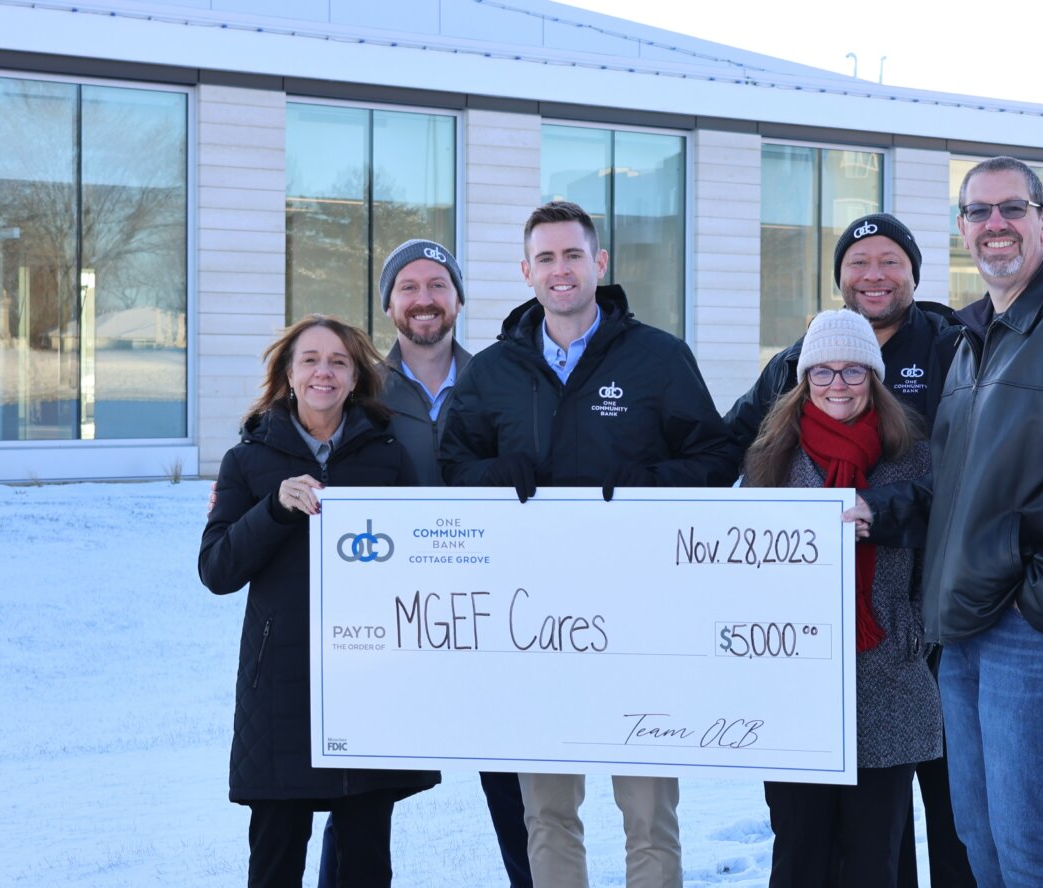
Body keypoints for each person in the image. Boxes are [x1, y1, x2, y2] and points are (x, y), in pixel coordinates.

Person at [854, 156, 1043, 888]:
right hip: (968, 628)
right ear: (963, 230)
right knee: (981, 844)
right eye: (979, 212)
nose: (996, 225)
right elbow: (960, 492)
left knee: (1037, 848)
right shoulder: (978, 340)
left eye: (1012, 209)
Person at [438, 199, 738, 888]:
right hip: (534, 625)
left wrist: (652, 483)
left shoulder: (658, 359)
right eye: (545, 258)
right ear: (526, 271)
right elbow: (453, 467)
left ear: (599, 264)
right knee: (547, 813)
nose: (560, 269)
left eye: (573, 254)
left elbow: (717, 459)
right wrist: (493, 474)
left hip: (641, 621)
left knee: (648, 813)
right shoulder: (492, 373)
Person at [723, 212, 973, 887]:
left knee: (953, 821)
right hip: (804, 665)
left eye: (889, 260)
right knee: (821, 846)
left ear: (915, 272)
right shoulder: (784, 397)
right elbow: (718, 462)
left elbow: (964, 490)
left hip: (917, 644)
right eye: (858, 262)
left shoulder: (957, 349)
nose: (873, 274)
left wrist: (878, 515)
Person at [312, 240, 534, 888]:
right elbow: (297, 443)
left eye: (438, 284)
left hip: (494, 614)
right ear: (389, 305)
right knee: (362, 796)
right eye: (408, 287)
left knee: (516, 791)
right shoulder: (357, 390)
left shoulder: (503, 381)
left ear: (458, 299)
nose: (424, 299)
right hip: (392, 617)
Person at [199, 314, 438, 887]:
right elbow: (218, 569)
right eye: (309, 360)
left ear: (356, 377)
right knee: (276, 858)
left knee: (365, 860)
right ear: (287, 373)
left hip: (367, 681)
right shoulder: (247, 460)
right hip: (280, 686)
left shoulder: (386, 457)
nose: (323, 373)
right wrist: (274, 509)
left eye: (338, 361)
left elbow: (416, 562)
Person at [741, 309, 941, 888]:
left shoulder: (913, 453)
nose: (837, 385)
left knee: (874, 859)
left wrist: (916, 622)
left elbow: (941, 547)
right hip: (794, 683)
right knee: (799, 852)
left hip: (887, 674)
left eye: (853, 371)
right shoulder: (770, 458)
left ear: (874, 377)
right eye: (822, 372)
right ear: (804, 379)